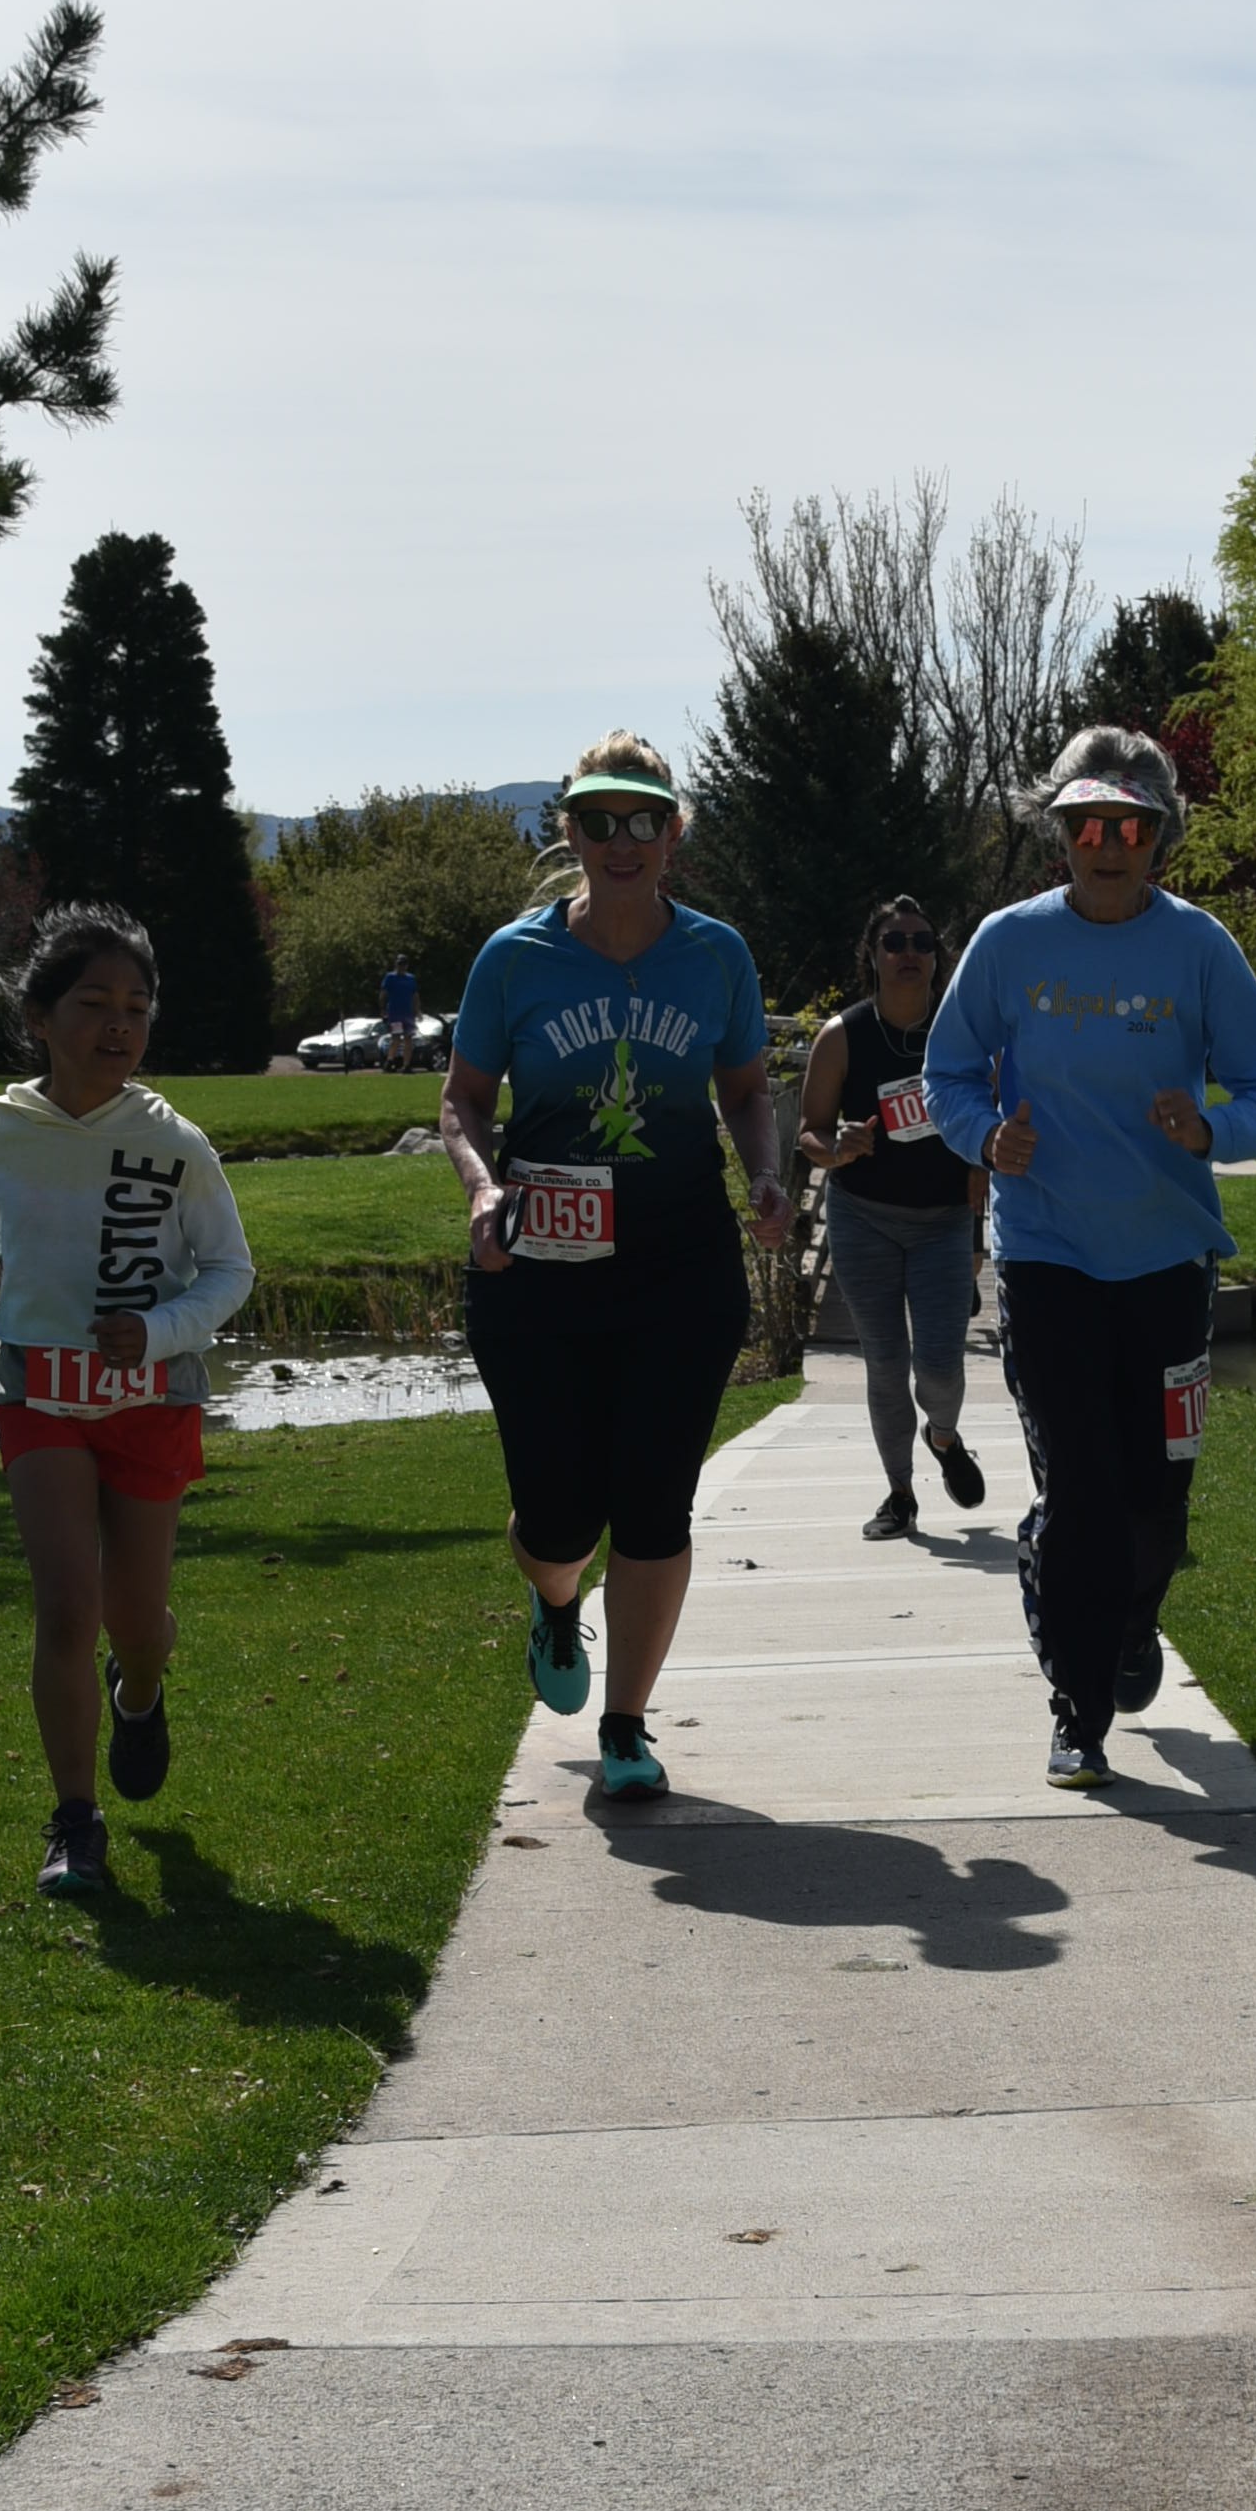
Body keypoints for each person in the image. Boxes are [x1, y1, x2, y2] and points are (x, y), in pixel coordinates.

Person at [920, 726, 1256, 1790]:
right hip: (1045, 1255)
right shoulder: (1008, 943)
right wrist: (984, 1138)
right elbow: (946, 1074)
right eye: (1087, 825)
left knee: (1156, 1505)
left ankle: (1129, 1620)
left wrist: (1209, 1130)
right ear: (1060, 834)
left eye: (1130, 829)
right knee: (1084, 1493)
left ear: (1159, 839)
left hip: (1168, 1262)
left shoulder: (1199, 948)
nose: (1107, 846)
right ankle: (1077, 1710)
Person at [438, 732, 788, 1807]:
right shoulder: (516, 958)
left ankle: (627, 1723)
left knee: (653, 1506)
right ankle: (555, 1601)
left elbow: (745, 1090)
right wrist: (481, 1189)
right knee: (556, 1524)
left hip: (680, 1265)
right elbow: (463, 1101)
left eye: (643, 819)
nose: (621, 840)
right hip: (537, 1269)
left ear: (674, 833)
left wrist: (766, 1175)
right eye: (599, 820)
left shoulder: (716, 956)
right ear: (572, 831)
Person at [0, 903, 256, 1899]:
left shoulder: (176, 1143)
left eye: (137, 1007)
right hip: (39, 1392)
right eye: (95, 1002)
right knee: (67, 1607)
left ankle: (138, 1690)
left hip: (152, 1398)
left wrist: (157, 1331)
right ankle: (75, 1822)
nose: (118, 1024)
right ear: (38, 1017)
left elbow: (230, 1271)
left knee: (133, 1620)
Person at [800, 892, 990, 1536]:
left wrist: (981, 1159)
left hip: (943, 1221)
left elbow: (993, 1107)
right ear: (873, 956)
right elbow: (809, 1133)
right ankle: (900, 1494)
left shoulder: (963, 1032)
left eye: (922, 943)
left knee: (939, 1367)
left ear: (938, 958)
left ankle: (944, 1437)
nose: (910, 953)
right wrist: (837, 1145)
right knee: (884, 1362)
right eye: (895, 943)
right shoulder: (842, 1035)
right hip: (864, 1217)